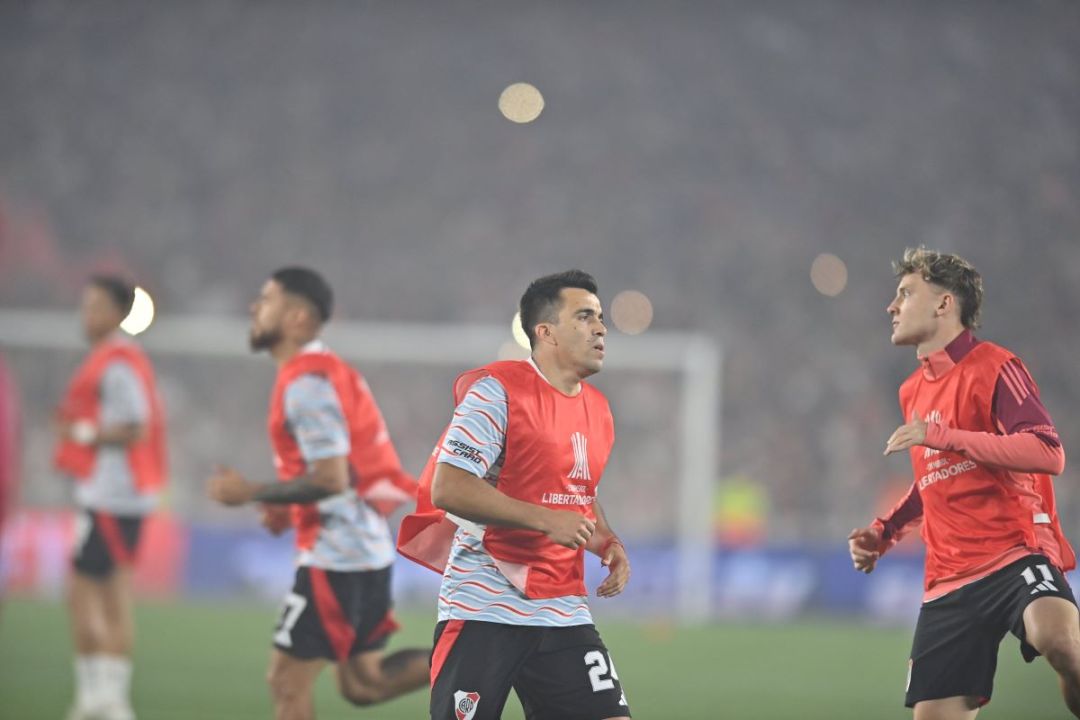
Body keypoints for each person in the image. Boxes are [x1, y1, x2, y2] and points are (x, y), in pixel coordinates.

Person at [848, 248, 1080, 719]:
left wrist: (944, 436)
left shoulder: (995, 365)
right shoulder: (911, 390)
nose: (891, 306)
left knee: (1059, 640)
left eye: (905, 293)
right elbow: (932, 479)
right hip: (948, 580)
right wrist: (884, 531)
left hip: (1013, 554)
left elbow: (1047, 452)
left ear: (944, 303)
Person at [398, 269, 632, 720]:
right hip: (484, 603)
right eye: (584, 317)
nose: (601, 328)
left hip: (562, 607)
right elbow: (450, 485)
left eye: (601, 318)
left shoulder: (599, 410)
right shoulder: (497, 392)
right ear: (546, 332)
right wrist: (545, 519)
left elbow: (578, 492)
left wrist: (607, 541)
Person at [206, 266, 428, 720]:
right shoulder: (325, 372)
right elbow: (341, 471)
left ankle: (484, 655)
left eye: (267, 300)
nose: (254, 307)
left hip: (338, 555)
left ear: (298, 318)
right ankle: (480, 655)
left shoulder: (307, 384)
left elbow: (331, 479)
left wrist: (250, 491)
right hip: (363, 547)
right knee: (365, 683)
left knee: (286, 681)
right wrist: (282, 506)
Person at [53, 275, 168, 720]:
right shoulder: (113, 358)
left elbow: (136, 427)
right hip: (112, 495)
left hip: (112, 496)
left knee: (95, 596)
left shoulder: (118, 363)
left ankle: (106, 699)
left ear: (119, 313)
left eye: (96, 306)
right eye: (85, 305)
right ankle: (100, 697)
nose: (87, 315)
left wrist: (81, 433)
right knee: (101, 595)